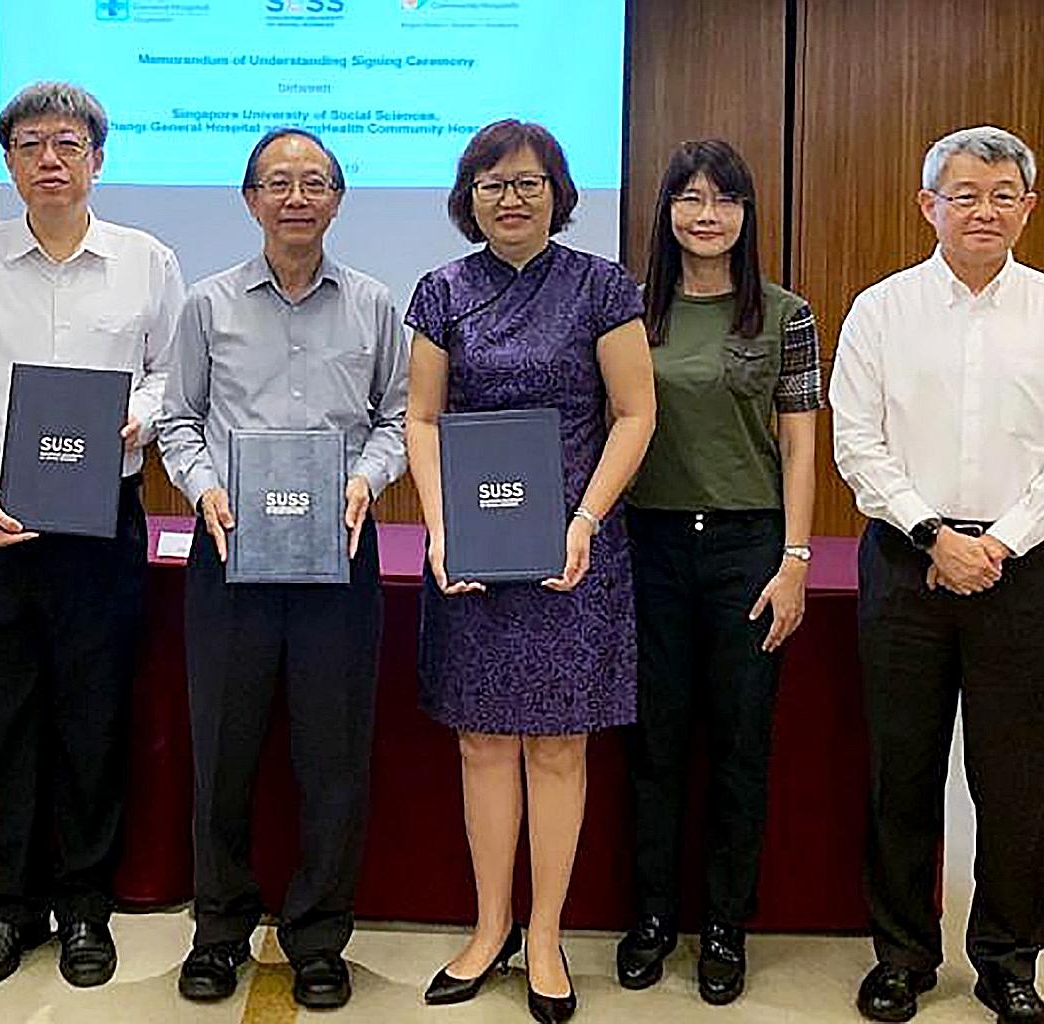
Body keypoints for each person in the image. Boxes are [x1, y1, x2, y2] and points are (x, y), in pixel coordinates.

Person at [831, 126, 1044, 1024]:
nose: (982, 209)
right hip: (905, 562)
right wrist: (931, 534)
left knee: (1014, 774)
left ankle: (1007, 958)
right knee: (901, 770)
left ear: (1027, 208)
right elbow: (856, 441)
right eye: (963, 194)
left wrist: (1002, 541)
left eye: (1001, 194)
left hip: (1020, 570)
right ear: (929, 207)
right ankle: (903, 955)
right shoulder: (880, 311)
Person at [0, 81, 185, 990]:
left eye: (67, 142)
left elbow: (168, 377)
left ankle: (84, 912)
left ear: (97, 159)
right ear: (9, 161)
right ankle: (9, 913)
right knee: (0, 725)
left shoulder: (147, 260)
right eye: (29, 143)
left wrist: (137, 418)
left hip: (98, 524)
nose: (49, 159)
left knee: (91, 720)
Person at [406, 120, 656, 1023]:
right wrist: (439, 527)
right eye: (492, 183)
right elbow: (423, 422)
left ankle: (546, 934)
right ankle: (489, 926)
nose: (511, 198)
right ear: (467, 196)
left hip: (572, 552)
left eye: (528, 182)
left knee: (557, 746)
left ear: (557, 190)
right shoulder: (441, 291)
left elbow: (634, 412)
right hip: (476, 552)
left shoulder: (602, 286)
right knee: (479, 741)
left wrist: (585, 519)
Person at [156, 127, 408, 1011]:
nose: (296, 196)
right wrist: (203, 488)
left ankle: (317, 937)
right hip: (231, 553)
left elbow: (398, 419)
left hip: (338, 550)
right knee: (222, 750)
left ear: (338, 199)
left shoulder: (377, 304)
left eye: (314, 182)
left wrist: (368, 480)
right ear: (250, 199)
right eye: (277, 182)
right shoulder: (207, 304)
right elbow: (176, 419)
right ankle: (219, 932)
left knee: (333, 753)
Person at [616, 139, 822, 1006]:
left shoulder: (784, 313)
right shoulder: (628, 311)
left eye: (725, 200)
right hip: (649, 545)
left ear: (745, 214)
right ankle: (655, 916)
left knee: (740, 746)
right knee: (655, 742)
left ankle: (726, 925)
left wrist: (797, 560)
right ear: (665, 213)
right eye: (690, 199)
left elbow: (801, 444)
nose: (708, 215)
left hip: (747, 548)